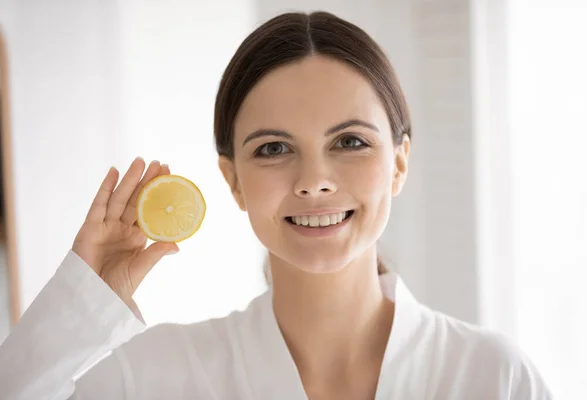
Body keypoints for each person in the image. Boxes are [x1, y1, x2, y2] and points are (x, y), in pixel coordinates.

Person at [0, 11, 552, 400]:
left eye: (350, 141)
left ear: (400, 162)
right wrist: (81, 300)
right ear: (233, 179)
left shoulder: (492, 377)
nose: (314, 181)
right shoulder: (159, 375)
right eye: (274, 148)